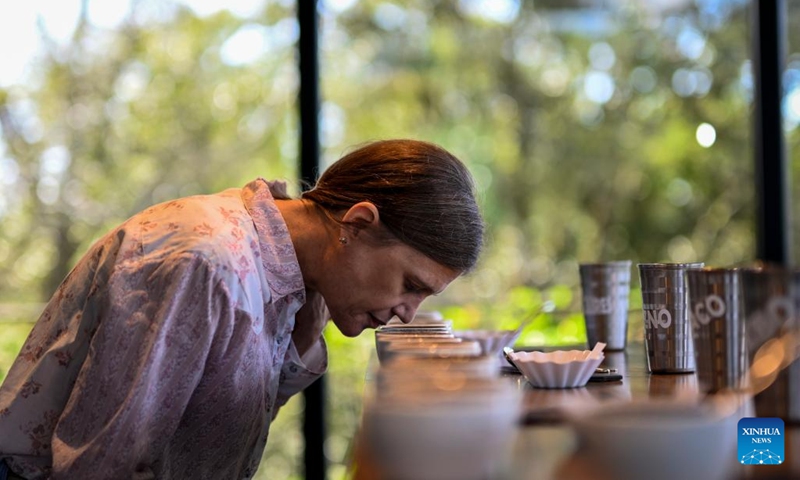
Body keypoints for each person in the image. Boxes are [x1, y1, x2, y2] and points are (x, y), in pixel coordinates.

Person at [0, 139, 484, 479]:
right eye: (410, 285)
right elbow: (100, 468)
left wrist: (302, 336)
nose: (408, 313)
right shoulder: (206, 261)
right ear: (357, 223)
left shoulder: (295, 272)